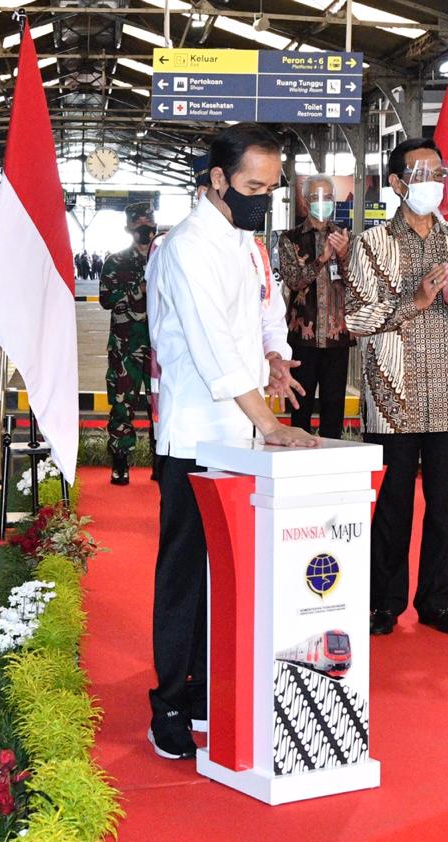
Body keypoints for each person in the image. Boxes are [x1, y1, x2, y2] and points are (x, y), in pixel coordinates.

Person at [146, 123, 314, 760]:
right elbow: (213, 345)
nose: (262, 199)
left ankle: (205, 689)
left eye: (271, 189)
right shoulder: (186, 246)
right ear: (216, 179)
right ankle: (167, 704)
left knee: (230, 572)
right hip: (196, 435)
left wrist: (276, 354)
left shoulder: (248, 243)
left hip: (239, 436)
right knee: (186, 574)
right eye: (252, 186)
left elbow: (267, 312)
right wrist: (270, 424)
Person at [344, 137, 448, 638]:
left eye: (439, 174)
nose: (433, 184)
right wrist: (416, 299)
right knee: (392, 506)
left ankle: (436, 602)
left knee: (447, 504)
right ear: (397, 183)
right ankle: (384, 602)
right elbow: (356, 318)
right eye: (422, 174)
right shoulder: (371, 244)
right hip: (393, 395)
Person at [277, 174, 353, 439]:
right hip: (303, 336)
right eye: (317, 197)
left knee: (334, 405)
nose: (324, 203)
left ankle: (333, 463)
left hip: (337, 336)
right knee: (301, 404)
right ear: (306, 201)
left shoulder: (345, 237)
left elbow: (357, 281)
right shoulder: (291, 239)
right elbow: (294, 280)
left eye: (329, 197)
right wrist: (321, 259)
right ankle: (298, 459)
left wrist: (343, 256)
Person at [100, 202, 157, 485]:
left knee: (160, 406)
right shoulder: (116, 262)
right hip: (125, 348)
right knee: (122, 406)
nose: (146, 231)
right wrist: (139, 289)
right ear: (129, 229)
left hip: (161, 349)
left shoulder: (166, 258)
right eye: (140, 226)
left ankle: (161, 461)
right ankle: (120, 462)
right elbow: (106, 299)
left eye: (149, 225)